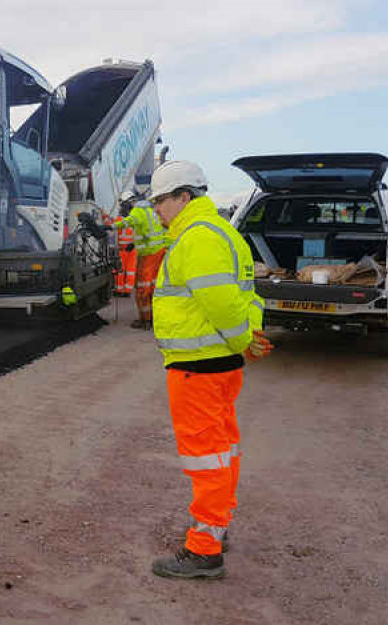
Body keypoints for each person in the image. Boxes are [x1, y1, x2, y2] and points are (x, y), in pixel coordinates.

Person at [148, 160, 272, 579]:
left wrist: (243, 340)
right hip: (218, 364)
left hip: (198, 367)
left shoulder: (197, 239)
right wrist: (248, 339)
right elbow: (249, 296)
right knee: (222, 449)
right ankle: (217, 527)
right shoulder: (224, 234)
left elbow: (220, 302)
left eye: (161, 200)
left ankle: (204, 549)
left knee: (205, 456)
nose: (157, 209)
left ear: (184, 196)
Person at [114, 189, 167, 329]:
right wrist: (134, 244)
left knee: (143, 288)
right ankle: (155, 318)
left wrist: (107, 227)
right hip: (158, 252)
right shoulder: (150, 211)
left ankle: (146, 320)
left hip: (149, 255)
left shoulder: (137, 211)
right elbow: (148, 231)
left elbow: (127, 222)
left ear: (129, 203)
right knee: (154, 287)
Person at [115, 192, 138, 297]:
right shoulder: (135, 219)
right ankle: (127, 290)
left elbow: (112, 228)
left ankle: (120, 289)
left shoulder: (120, 220)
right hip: (132, 248)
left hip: (122, 249)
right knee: (130, 270)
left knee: (121, 270)